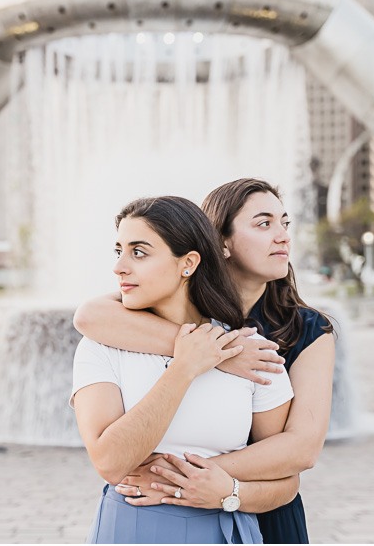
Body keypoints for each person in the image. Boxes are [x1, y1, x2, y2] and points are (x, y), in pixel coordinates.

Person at [74, 179, 335, 544]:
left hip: (252, 509)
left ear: (190, 262)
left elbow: (299, 455)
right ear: (220, 243)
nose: (283, 237)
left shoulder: (277, 342)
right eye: (264, 224)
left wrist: (204, 483)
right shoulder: (120, 331)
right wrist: (203, 353)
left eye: (285, 224)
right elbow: (87, 316)